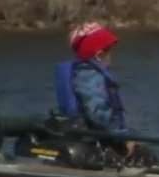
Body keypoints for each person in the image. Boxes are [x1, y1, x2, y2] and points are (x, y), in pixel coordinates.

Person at [54, 21, 135, 154]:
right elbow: (97, 112)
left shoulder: (88, 73)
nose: (112, 56)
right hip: (96, 139)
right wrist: (122, 136)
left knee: (138, 144)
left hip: (102, 135)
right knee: (137, 148)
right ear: (98, 55)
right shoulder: (88, 76)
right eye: (109, 51)